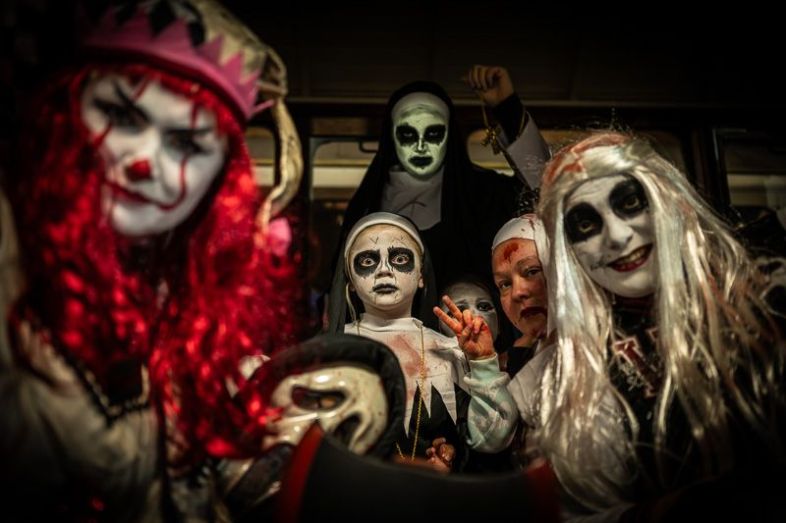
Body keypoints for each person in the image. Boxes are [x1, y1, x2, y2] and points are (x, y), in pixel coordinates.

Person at [0, 1, 304, 520]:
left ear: (221, 177)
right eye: (121, 116)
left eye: (186, 143)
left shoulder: (187, 297)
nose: (144, 163)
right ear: (65, 112)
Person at [534, 132, 786, 520]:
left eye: (629, 203)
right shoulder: (579, 376)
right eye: (586, 224)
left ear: (666, 199)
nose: (618, 237)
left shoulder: (765, 299)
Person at [335, 66, 550, 297]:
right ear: (392, 136)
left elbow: (544, 187)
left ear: (449, 136)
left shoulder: (482, 193)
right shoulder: (367, 204)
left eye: (433, 134)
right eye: (408, 134)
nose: (420, 146)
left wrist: (506, 106)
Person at [328, 211, 517, 472]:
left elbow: (493, 438)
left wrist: (483, 362)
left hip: (430, 495)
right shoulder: (328, 354)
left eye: (400, 258)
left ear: (421, 276)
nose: (384, 271)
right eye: (368, 260)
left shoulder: (447, 351)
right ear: (349, 279)